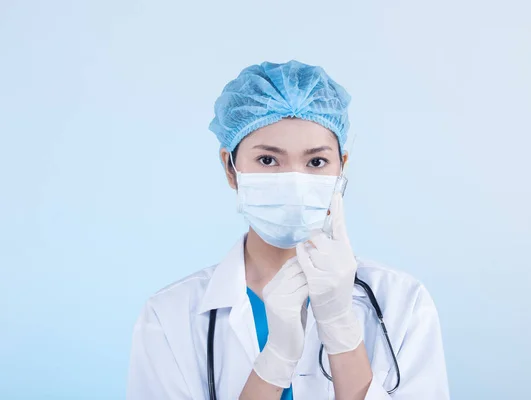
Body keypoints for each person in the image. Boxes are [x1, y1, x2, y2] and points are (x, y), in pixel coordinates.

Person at [126, 60, 450, 399]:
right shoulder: (168, 317)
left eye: (316, 162)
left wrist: (341, 329)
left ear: (343, 168)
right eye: (268, 160)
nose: (295, 182)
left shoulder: (403, 303)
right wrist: (275, 361)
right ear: (231, 168)